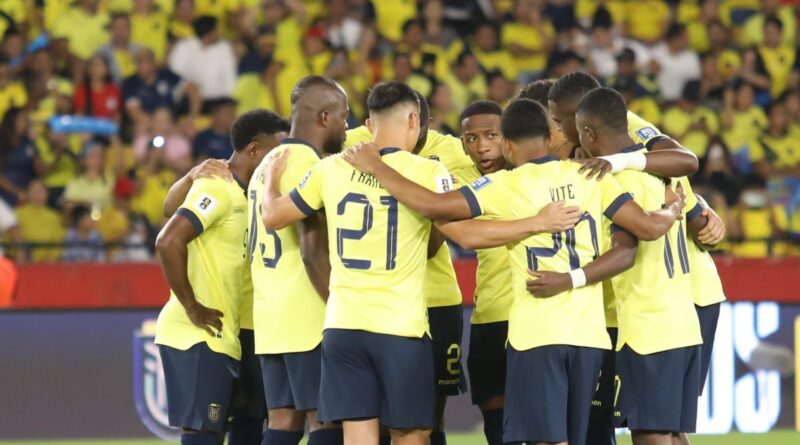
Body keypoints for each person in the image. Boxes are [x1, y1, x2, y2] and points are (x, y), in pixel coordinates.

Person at [340, 96, 686, 445]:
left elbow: (434, 206)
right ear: (550, 138)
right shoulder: (590, 176)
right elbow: (646, 228)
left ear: (506, 144)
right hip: (589, 337)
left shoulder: (505, 184)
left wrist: (379, 169)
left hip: (535, 335)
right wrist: (672, 211)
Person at [261, 81, 576, 445]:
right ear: (414, 119)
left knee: (358, 436)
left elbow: (273, 215)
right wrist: (537, 222)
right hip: (399, 328)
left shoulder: (330, 168)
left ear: (368, 123)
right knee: (412, 434)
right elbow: (469, 236)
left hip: (342, 327)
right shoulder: (427, 172)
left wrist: (271, 177)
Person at [575, 87, 709, 445]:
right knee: (673, 433)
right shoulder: (667, 172)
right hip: (684, 325)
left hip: (647, 330)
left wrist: (571, 276)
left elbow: (626, 248)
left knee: (650, 435)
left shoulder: (617, 182)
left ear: (588, 134)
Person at [342, 91, 476, 445]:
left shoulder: (451, 150)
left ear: (421, 123)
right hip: (384, 307)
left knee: (430, 416)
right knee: (390, 420)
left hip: (436, 299)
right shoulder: (358, 142)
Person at [160, 109, 291, 445]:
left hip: (234, 332)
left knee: (246, 423)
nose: (283, 161)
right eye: (277, 152)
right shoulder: (218, 186)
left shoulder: (255, 194)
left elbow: (168, 206)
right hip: (200, 333)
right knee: (205, 433)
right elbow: (168, 240)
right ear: (253, 151)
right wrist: (192, 307)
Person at [249, 76, 346, 445]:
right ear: (324, 117)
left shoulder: (267, 164)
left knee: (283, 421)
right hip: (309, 315)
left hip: (272, 317)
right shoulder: (309, 163)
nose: (346, 125)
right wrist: (340, 306)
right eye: (343, 116)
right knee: (327, 420)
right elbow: (312, 251)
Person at [168, 16, 237, 103]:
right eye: (216, 30)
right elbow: (175, 73)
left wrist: (228, 99)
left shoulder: (224, 48)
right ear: (207, 34)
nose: (219, 33)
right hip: (188, 99)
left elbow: (229, 75)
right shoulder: (184, 47)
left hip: (218, 99)